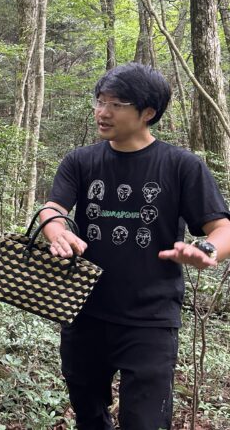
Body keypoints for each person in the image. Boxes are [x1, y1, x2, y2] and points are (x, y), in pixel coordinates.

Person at [38, 62, 230, 429]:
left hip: (150, 321)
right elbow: (53, 208)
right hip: (83, 312)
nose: (103, 111)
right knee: (89, 415)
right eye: (100, 101)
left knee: (145, 421)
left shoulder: (181, 166)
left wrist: (207, 251)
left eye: (116, 104)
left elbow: (222, 228)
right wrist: (56, 229)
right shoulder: (80, 161)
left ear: (147, 113)